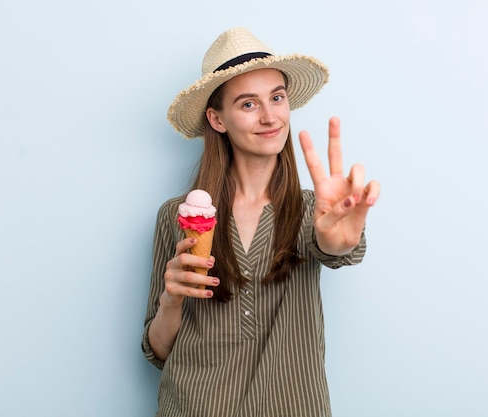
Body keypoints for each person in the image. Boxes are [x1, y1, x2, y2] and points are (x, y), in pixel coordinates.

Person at [142, 27, 380, 417]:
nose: (270, 116)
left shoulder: (312, 211)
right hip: (195, 406)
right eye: (248, 104)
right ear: (217, 120)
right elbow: (160, 350)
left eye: (277, 97)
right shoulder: (177, 216)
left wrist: (339, 240)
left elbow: (337, 247)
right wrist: (171, 300)